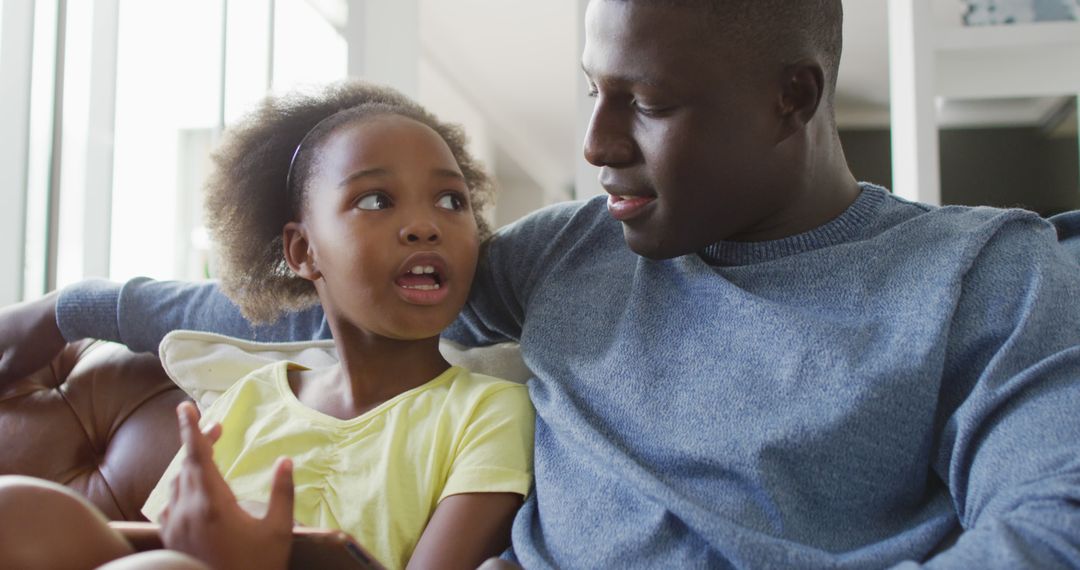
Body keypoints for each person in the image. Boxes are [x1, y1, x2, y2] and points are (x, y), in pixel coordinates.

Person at [1, 0, 1079, 567]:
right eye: (591, 92)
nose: (597, 141)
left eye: (644, 102)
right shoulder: (579, 249)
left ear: (791, 97)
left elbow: (1047, 529)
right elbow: (345, 303)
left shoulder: (986, 275)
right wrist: (67, 307)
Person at [0, 81, 534, 570]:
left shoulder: (488, 411)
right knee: (22, 511)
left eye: (451, 200)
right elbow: (157, 543)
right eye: (376, 200)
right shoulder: (252, 397)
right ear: (303, 250)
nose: (425, 225)